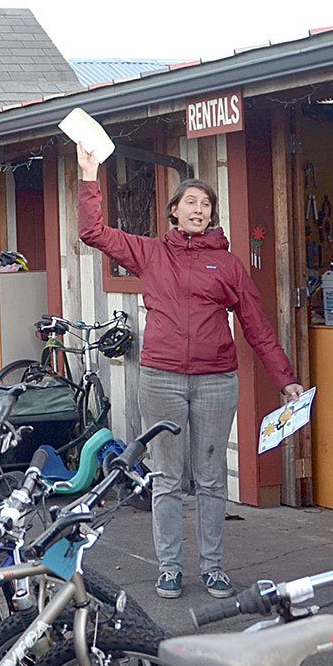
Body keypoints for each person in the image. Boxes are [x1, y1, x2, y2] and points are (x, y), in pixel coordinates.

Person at [75, 144, 304, 600]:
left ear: (212, 215)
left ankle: (213, 567)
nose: (198, 210)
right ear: (173, 212)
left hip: (217, 381)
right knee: (166, 476)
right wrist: (89, 173)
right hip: (160, 378)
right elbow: (93, 231)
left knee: (212, 476)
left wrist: (286, 379)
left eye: (206, 204)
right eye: (190, 203)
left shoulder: (230, 265)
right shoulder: (149, 253)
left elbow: (257, 326)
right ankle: (169, 567)